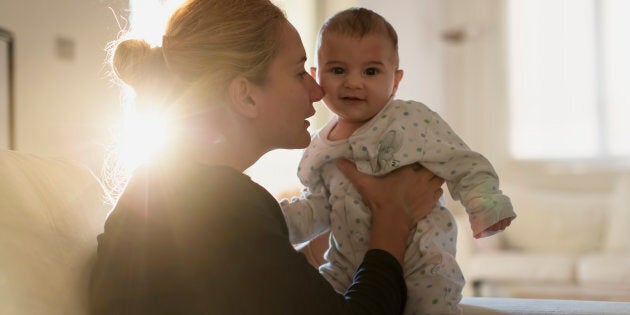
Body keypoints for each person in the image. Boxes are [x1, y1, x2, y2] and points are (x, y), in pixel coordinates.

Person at [89, 0, 447, 314]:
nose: (318, 90)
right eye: (297, 72)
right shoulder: (222, 203)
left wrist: (347, 231)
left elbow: (264, 289)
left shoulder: (172, 189)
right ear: (245, 96)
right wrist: (393, 221)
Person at [279, 7, 517, 315]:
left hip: (421, 258)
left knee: (430, 304)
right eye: (338, 70)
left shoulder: (410, 119)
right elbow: (317, 208)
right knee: (312, 300)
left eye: (371, 71)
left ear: (395, 81)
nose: (353, 83)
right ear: (317, 75)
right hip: (346, 266)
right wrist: (275, 221)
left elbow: (464, 162)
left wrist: (486, 205)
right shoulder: (319, 148)